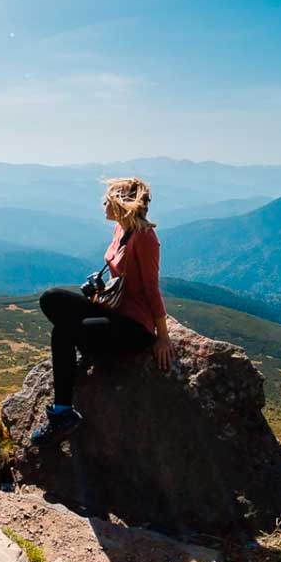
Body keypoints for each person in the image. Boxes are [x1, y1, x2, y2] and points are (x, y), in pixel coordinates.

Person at [30, 176, 175, 446]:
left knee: (63, 333)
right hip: (114, 311)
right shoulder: (122, 230)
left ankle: (63, 413)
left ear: (122, 203)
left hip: (133, 327)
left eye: (108, 199)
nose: (103, 203)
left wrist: (162, 336)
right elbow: (120, 274)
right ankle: (89, 345)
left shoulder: (145, 238)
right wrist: (98, 288)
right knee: (51, 298)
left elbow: (152, 289)